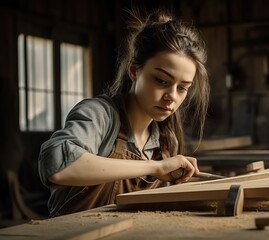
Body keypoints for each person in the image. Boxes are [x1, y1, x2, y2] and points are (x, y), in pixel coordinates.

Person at [38, 9, 210, 217]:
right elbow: (57, 166)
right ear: (134, 70)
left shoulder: (165, 142)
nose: (172, 96)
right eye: (161, 81)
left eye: (182, 88)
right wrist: (155, 168)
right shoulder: (100, 115)